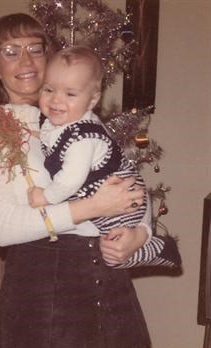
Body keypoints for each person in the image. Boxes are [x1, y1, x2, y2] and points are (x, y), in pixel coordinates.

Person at [0, 13, 151, 348]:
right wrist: (92, 207)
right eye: (10, 51)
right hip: (42, 301)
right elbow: (4, 228)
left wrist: (140, 234)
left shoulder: (74, 115)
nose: (25, 60)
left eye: (35, 49)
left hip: (108, 290)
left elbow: (127, 179)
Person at [27, 45, 179, 269]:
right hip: (108, 199)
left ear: (92, 101)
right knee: (110, 250)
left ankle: (158, 249)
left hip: (126, 200)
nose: (56, 100)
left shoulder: (83, 138)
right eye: (49, 90)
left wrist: (45, 197)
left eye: (70, 94)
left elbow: (70, 180)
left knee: (114, 255)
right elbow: (52, 140)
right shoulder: (60, 122)